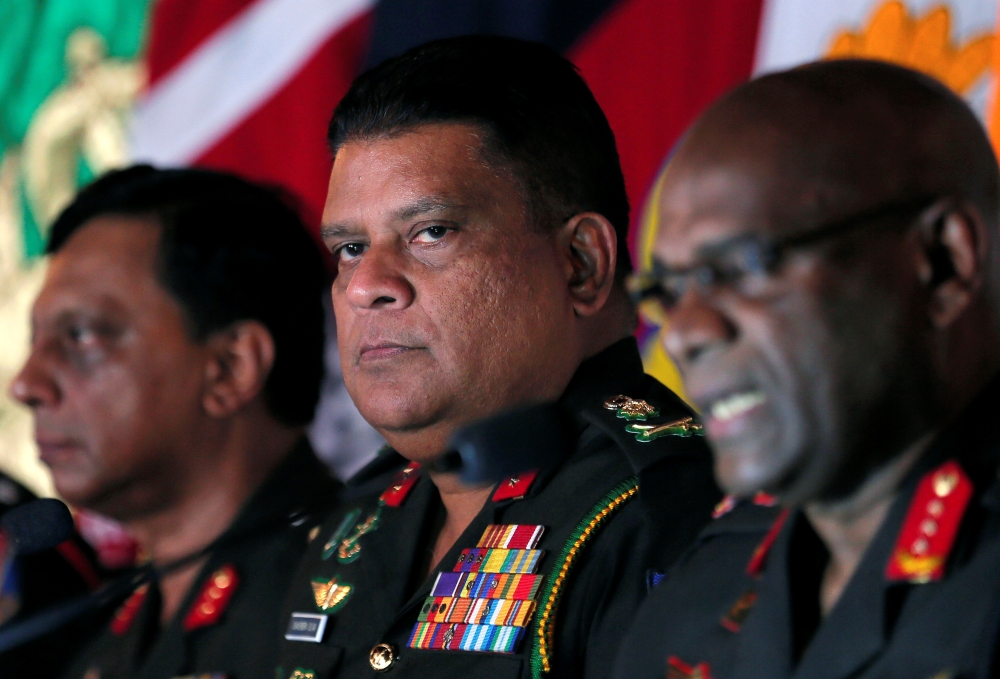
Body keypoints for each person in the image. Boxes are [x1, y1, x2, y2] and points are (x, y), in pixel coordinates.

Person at [273, 36, 720, 679]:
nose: (367, 284)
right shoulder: (353, 524)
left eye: (430, 233)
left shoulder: (666, 515)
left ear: (582, 265)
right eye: (348, 248)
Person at [613, 59, 1000, 679]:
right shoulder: (690, 609)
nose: (685, 333)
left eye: (739, 267)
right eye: (670, 291)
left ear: (942, 261)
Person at [8, 166, 342, 679]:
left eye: (81, 336)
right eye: (36, 341)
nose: (27, 385)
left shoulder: (362, 593)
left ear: (231, 368)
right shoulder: (106, 637)